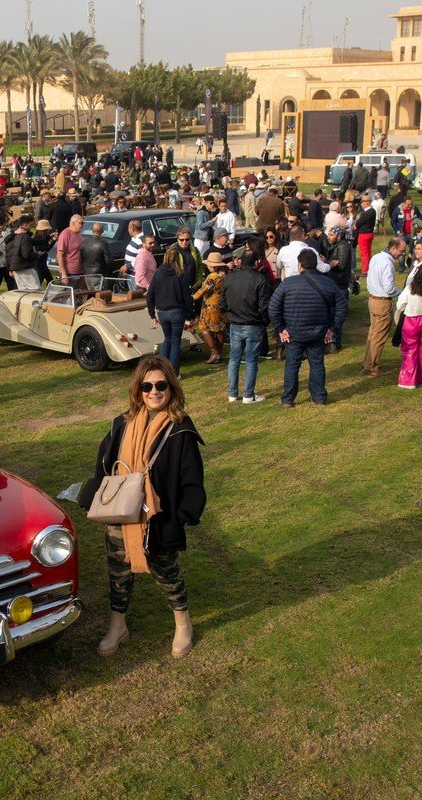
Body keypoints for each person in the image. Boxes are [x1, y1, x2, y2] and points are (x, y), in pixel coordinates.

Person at [80, 356, 205, 658]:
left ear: (171, 388)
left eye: (161, 385)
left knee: (167, 573)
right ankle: (118, 625)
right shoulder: (121, 425)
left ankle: (183, 624)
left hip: (158, 517)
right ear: (137, 390)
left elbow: (192, 476)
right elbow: (104, 464)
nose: (154, 391)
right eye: (147, 386)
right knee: (118, 572)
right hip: (121, 512)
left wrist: (182, 516)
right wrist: (100, 494)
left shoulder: (180, 429)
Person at [270, 249, 347, 406]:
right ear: (317, 264)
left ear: (300, 265)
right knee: (317, 364)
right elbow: (342, 307)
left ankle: (287, 399)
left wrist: (280, 329)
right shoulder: (328, 283)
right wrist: (333, 328)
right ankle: (319, 397)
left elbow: (273, 307)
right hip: (318, 332)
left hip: (293, 333)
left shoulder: (288, 284)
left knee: (292, 366)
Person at [220, 251, 272, 403]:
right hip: (251, 324)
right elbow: (264, 306)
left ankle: (233, 394)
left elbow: (222, 304)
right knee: (250, 360)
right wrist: (264, 320)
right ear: (256, 263)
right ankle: (248, 395)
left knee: (234, 359)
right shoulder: (259, 279)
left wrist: (232, 314)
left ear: (240, 262)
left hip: (237, 323)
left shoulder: (230, 278)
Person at [362, 237, 406, 377]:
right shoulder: (388, 264)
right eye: (401, 251)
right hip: (382, 302)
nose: (402, 254)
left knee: (373, 334)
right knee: (379, 337)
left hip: (372, 300)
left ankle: (367, 363)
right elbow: (389, 288)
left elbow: (369, 277)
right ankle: (372, 368)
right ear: (393, 249)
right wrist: (402, 293)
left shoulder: (376, 257)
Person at [147, 247, 194, 376]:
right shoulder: (181, 274)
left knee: (167, 339)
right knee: (174, 342)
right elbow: (187, 297)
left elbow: (150, 295)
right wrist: (191, 314)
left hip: (162, 312)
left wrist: (152, 314)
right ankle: (174, 373)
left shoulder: (158, 273)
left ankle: (159, 369)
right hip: (176, 312)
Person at [393, 261, 422, 389]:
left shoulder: (410, 289)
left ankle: (408, 381)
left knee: (409, 350)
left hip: (411, 320)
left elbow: (400, 305)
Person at [192, 252, 228, 364]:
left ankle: (214, 352)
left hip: (210, 305)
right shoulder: (223, 276)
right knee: (220, 328)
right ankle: (219, 352)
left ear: (211, 266)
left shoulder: (212, 277)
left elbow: (204, 290)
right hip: (221, 303)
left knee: (204, 327)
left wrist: (193, 296)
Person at [56, 214, 85, 280]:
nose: (82, 225)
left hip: (79, 271)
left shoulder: (78, 234)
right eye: (81, 223)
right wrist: (64, 274)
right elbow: (59, 255)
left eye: (83, 223)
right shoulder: (65, 234)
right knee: (68, 290)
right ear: (73, 223)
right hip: (69, 273)